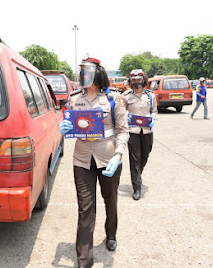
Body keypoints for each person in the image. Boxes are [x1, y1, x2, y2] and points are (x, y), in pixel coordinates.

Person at [59, 57, 129, 268]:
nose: (84, 76)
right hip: (81, 159)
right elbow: (71, 124)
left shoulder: (114, 99)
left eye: (87, 72)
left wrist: (118, 155)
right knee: (85, 208)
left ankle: (111, 233)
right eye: (82, 72)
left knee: (111, 200)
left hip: (108, 159)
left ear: (98, 74)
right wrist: (63, 128)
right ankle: (84, 261)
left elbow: (123, 130)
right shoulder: (74, 99)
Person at [122, 69, 158, 200]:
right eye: (134, 80)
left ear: (144, 80)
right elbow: (120, 112)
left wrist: (153, 118)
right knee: (134, 159)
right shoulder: (126, 96)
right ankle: (136, 187)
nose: (136, 82)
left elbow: (154, 111)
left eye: (139, 80)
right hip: (133, 132)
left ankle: (138, 175)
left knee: (145, 156)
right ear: (130, 82)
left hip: (147, 131)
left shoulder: (150, 96)